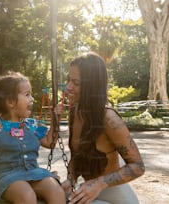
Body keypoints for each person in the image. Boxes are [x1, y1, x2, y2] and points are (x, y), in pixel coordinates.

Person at [0, 72, 66, 204]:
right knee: (27, 196)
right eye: (27, 94)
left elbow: (50, 143)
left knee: (56, 191)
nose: (32, 99)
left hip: (34, 172)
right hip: (7, 177)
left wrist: (55, 120)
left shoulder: (31, 125)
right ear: (10, 102)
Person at [59, 52, 145, 204]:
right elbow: (77, 156)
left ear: (92, 85)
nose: (68, 87)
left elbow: (138, 166)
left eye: (76, 83)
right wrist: (70, 180)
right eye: (68, 80)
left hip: (114, 196)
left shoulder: (109, 119)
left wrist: (99, 183)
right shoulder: (74, 113)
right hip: (91, 192)